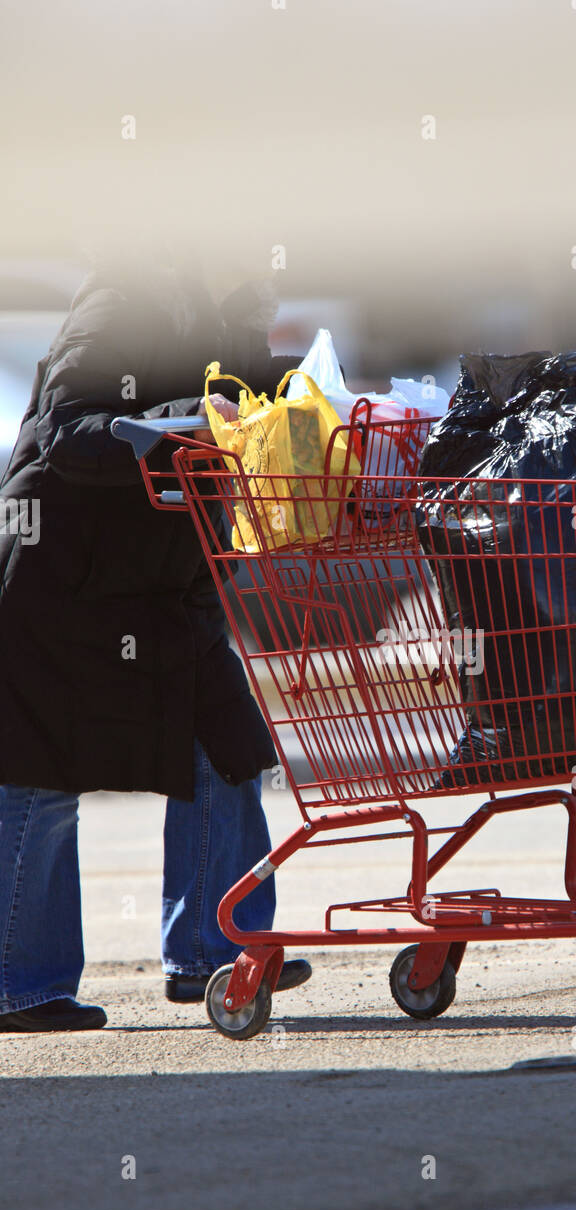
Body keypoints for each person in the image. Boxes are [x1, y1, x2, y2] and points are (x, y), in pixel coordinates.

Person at [0, 259, 310, 1032]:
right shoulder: (126, 293)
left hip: (166, 578)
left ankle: (213, 951)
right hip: (60, 569)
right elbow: (68, 426)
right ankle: (21, 985)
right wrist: (172, 431)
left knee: (227, 744)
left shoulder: (234, 322)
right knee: (40, 770)